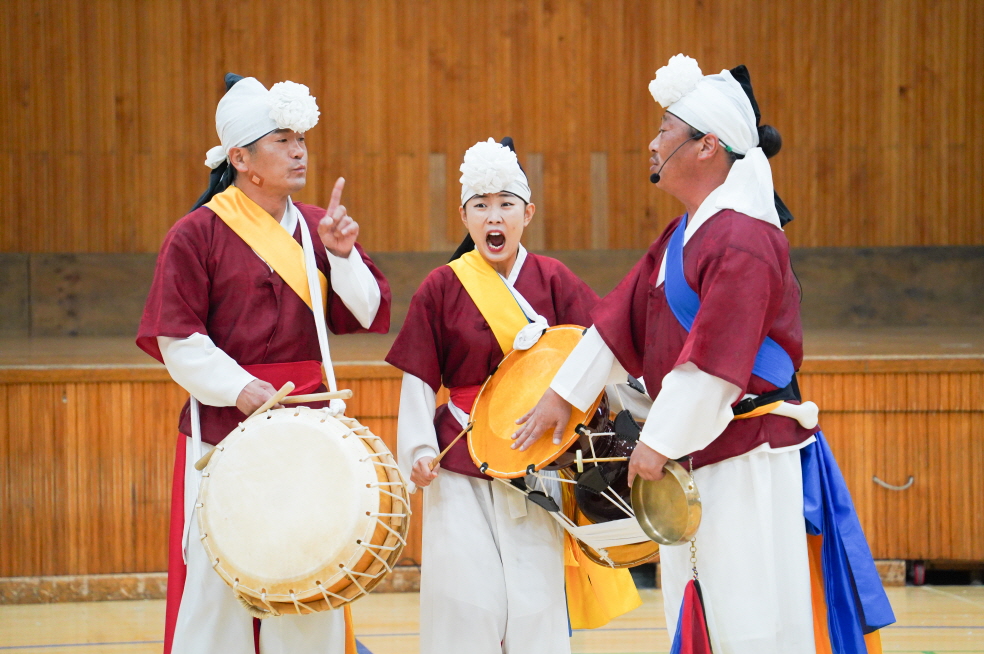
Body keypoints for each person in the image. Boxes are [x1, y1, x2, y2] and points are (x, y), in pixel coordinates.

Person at [513, 56, 894, 653]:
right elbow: (617, 320)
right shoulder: (682, 235)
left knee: (751, 616)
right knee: (701, 607)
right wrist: (563, 396)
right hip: (696, 452)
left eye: (665, 129)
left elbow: (715, 363)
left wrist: (658, 441)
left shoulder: (745, 238)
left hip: (746, 458)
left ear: (707, 146)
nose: (652, 143)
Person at [136, 73, 391, 654]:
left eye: (301, 139)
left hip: (310, 428)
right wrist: (241, 388)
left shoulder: (317, 225)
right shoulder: (195, 234)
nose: (300, 151)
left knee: (310, 572)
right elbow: (178, 340)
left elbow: (367, 310)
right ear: (241, 158)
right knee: (219, 579)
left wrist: (342, 255)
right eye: (282, 141)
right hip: (226, 424)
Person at [385, 138, 602, 654]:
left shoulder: (555, 279)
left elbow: (600, 349)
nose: (494, 216)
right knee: (465, 602)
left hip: (536, 455)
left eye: (506, 203)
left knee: (535, 603)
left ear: (528, 213)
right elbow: (419, 377)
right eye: (480, 205)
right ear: (465, 217)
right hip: (459, 456)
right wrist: (418, 449)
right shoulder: (442, 286)